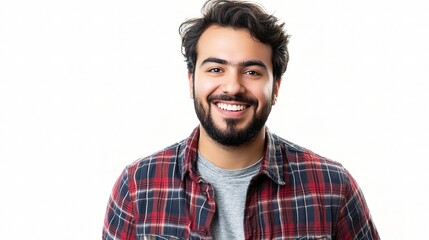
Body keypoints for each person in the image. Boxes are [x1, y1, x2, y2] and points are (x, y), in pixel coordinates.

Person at [102, 0, 380, 239]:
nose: (232, 86)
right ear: (191, 82)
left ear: (276, 89)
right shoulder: (138, 186)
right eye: (215, 68)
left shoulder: (333, 187)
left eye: (252, 72)